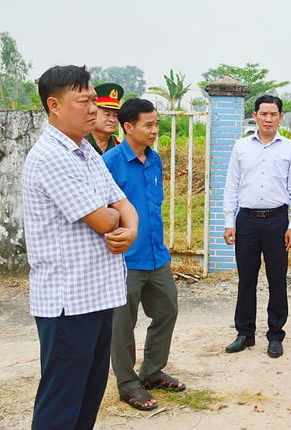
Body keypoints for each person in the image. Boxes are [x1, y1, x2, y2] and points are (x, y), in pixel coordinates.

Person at [22, 65, 138, 429]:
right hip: (67, 302)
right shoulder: (50, 157)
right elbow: (104, 219)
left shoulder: (85, 152)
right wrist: (120, 219)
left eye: (93, 101)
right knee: (61, 404)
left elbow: (123, 204)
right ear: (54, 105)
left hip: (97, 294)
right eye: (84, 101)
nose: (93, 109)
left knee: (88, 398)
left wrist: (131, 230)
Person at [103, 98, 185, 411]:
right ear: (128, 127)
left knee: (167, 310)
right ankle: (127, 384)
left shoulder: (154, 160)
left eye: (156, 124)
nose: (155, 130)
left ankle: (151, 371)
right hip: (124, 260)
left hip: (156, 256)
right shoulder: (110, 163)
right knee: (123, 325)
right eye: (148, 125)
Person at [223, 95, 291, 358]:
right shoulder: (241, 147)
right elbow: (231, 184)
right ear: (255, 115)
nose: (268, 119)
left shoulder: (290, 148)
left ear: (281, 117)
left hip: (277, 221)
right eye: (264, 113)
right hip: (246, 221)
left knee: (277, 279)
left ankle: (275, 334)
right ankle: (245, 333)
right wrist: (228, 221)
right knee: (246, 278)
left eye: (274, 114)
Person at [85, 82, 123, 154]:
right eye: (107, 114)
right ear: (92, 113)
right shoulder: (80, 143)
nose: (112, 120)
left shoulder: (121, 146)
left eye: (115, 115)